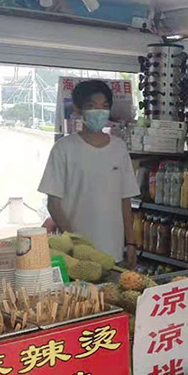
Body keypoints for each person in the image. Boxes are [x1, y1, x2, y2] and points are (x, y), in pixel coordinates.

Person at [39, 80, 139, 268]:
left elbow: (125, 200)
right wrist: (74, 242)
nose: (99, 112)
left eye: (104, 106)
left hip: (113, 251)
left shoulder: (119, 148)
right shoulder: (63, 148)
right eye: (92, 106)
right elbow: (53, 202)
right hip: (76, 254)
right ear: (78, 109)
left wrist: (131, 243)